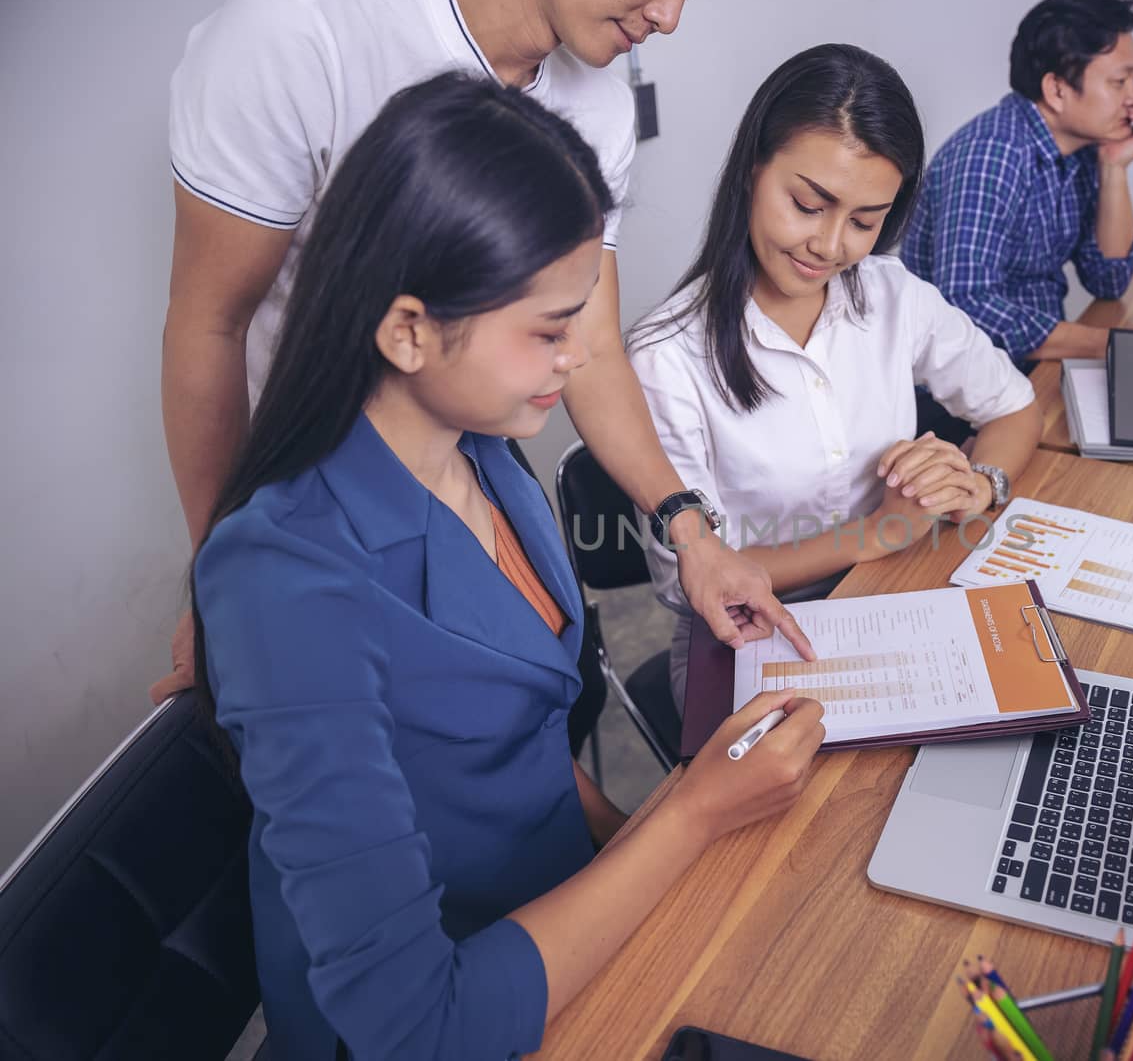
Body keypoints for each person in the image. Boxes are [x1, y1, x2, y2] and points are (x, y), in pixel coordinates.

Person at [192, 74, 825, 1060]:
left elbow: (523, 747)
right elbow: (414, 1027)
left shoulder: (483, 448)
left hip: (562, 921)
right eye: (548, 327)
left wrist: (639, 837)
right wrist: (691, 812)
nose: (578, 355)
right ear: (408, 328)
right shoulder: (283, 579)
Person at [156, 0, 811, 704]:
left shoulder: (599, 103)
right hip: (326, 488)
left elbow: (589, 344)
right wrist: (222, 575)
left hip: (469, 458)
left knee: (558, 688)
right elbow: (210, 324)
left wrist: (692, 531)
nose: (669, 18)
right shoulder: (294, 34)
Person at [628, 44, 1044, 708]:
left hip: (891, 594)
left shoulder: (888, 293)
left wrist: (976, 484)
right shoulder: (666, 353)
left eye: (864, 221)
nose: (830, 245)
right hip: (743, 639)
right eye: (807, 203)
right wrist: (882, 530)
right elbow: (690, 581)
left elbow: (1016, 407)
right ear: (752, 170)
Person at [901, 0, 1133, 369]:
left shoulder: (1082, 152)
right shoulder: (991, 155)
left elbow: (1109, 280)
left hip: (1028, 366)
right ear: (1056, 90)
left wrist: (1114, 169)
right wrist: (1110, 343)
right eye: (1120, 82)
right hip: (960, 387)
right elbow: (967, 307)